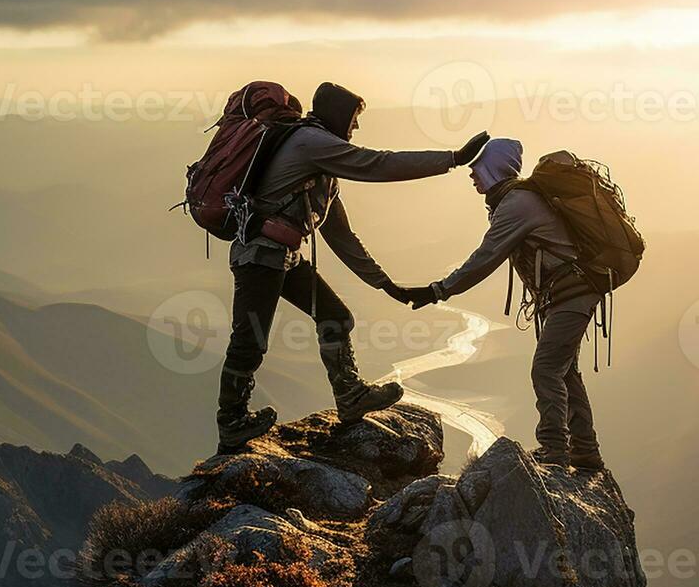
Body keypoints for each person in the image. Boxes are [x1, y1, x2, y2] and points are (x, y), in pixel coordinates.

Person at [217, 81, 489, 450]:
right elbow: (377, 163)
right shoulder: (312, 144)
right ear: (338, 115)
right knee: (250, 341)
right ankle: (232, 421)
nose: (356, 127)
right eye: (354, 118)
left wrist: (386, 285)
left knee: (336, 316)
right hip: (260, 257)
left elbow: (341, 237)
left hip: (282, 257)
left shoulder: (320, 165)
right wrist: (452, 159)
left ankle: (349, 397)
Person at [396, 139, 604, 471]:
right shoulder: (516, 200)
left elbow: (485, 258)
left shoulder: (517, 204)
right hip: (569, 294)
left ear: (494, 168)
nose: (472, 173)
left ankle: (555, 450)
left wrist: (437, 291)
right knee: (565, 371)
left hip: (571, 295)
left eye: (478, 166)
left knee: (546, 369)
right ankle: (585, 451)